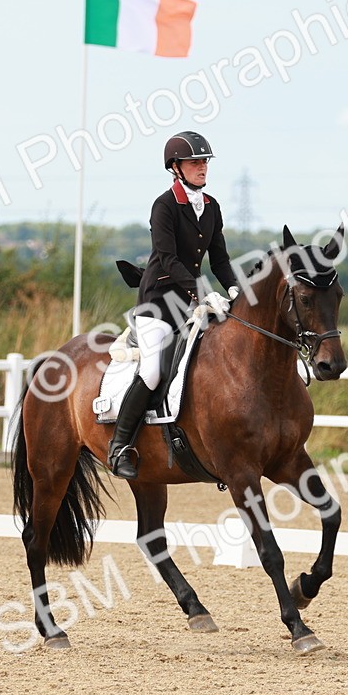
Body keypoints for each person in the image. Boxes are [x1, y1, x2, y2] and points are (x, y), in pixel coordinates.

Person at [106, 130, 240, 479]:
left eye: (204, 162)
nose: (202, 167)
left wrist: (235, 289)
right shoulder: (164, 205)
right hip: (159, 303)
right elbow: (167, 258)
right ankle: (119, 446)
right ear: (176, 167)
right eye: (195, 162)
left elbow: (220, 260)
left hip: (193, 304)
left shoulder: (211, 207)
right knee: (152, 370)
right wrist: (202, 291)